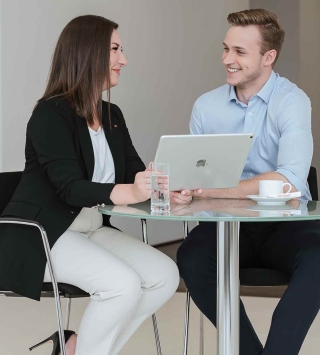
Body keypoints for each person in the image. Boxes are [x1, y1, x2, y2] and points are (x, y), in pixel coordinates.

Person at [0, 15, 192, 355]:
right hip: (46, 232)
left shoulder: (111, 114)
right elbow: (70, 187)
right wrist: (132, 191)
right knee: (123, 285)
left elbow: (133, 171)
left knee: (164, 275)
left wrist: (163, 186)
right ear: (88, 53)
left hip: (91, 228)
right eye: (115, 49)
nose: (124, 59)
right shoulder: (50, 113)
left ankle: (79, 350)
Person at [177, 8, 320, 355]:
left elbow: (289, 179)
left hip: (283, 224)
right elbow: (194, 177)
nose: (228, 59)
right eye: (226, 49)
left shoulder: (292, 101)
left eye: (240, 52)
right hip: (225, 225)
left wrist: (220, 189)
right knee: (191, 257)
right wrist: (182, 186)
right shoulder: (206, 106)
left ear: (268, 57)